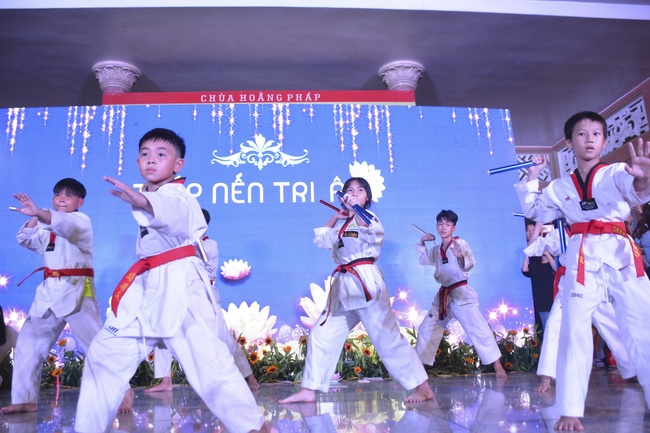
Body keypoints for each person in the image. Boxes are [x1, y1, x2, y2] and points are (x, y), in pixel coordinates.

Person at [74, 128, 268, 433]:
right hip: (147, 285)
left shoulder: (178, 195)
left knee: (208, 362)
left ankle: (255, 427)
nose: (151, 160)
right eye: (145, 154)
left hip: (179, 282)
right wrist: (144, 199)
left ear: (178, 165)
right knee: (104, 353)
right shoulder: (153, 194)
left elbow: (170, 213)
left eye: (161, 154)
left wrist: (142, 201)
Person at [515, 111, 650, 431]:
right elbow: (535, 210)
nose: (589, 139)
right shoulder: (560, 187)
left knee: (643, 328)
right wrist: (532, 175)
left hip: (620, 255)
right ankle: (570, 410)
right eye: (581, 134)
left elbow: (637, 190)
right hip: (581, 260)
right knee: (574, 331)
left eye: (596, 134)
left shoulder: (615, 172)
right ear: (569, 142)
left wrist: (644, 178)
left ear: (604, 141)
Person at [279, 177, 434, 404]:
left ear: (367, 197)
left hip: (364, 282)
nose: (353, 193)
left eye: (360, 190)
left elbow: (370, 229)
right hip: (343, 286)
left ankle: (423, 388)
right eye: (349, 190)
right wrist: (337, 216)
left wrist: (355, 209)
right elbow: (321, 240)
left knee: (387, 338)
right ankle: (309, 389)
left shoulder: (368, 218)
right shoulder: (343, 225)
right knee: (321, 334)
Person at [0, 178, 104, 416]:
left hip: (78, 292)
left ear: (80, 202)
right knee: (27, 346)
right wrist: (34, 216)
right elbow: (25, 239)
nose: (61, 199)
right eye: (57, 195)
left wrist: (40, 213)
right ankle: (25, 400)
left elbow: (64, 224)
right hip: (48, 295)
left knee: (97, 347)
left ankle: (123, 394)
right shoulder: (47, 226)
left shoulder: (81, 221)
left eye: (68, 196)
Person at [146, 208, 260, 393]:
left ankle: (249, 377)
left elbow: (195, 255)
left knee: (221, 337)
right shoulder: (180, 242)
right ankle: (165, 380)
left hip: (204, 294)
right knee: (164, 332)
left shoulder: (209, 245)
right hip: (180, 293)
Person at [523, 224, 635, 393]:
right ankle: (547, 376)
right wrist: (538, 224)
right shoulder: (561, 233)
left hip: (594, 282)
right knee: (553, 325)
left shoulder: (596, 230)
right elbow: (533, 248)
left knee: (610, 325)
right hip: (569, 285)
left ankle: (631, 369)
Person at [414, 209, 507, 378]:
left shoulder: (460, 243)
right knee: (426, 328)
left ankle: (498, 365)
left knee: (478, 328)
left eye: (448, 224)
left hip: (461, 293)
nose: (443, 227)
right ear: (436, 226)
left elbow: (469, 263)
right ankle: (417, 370)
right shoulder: (436, 250)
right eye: (440, 224)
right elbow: (424, 259)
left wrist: (460, 256)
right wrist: (422, 242)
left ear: (454, 227)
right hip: (443, 295)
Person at [521, 220, 556, 339]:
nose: (531, 233)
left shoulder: (553, 260)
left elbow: (556, 268)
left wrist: (546, 252)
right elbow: (524, 270)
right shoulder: (535, 264)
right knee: (547, 328)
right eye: (528, 230)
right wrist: (528, 252)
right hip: (542, 302)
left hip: (555, 300)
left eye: (533, 230)